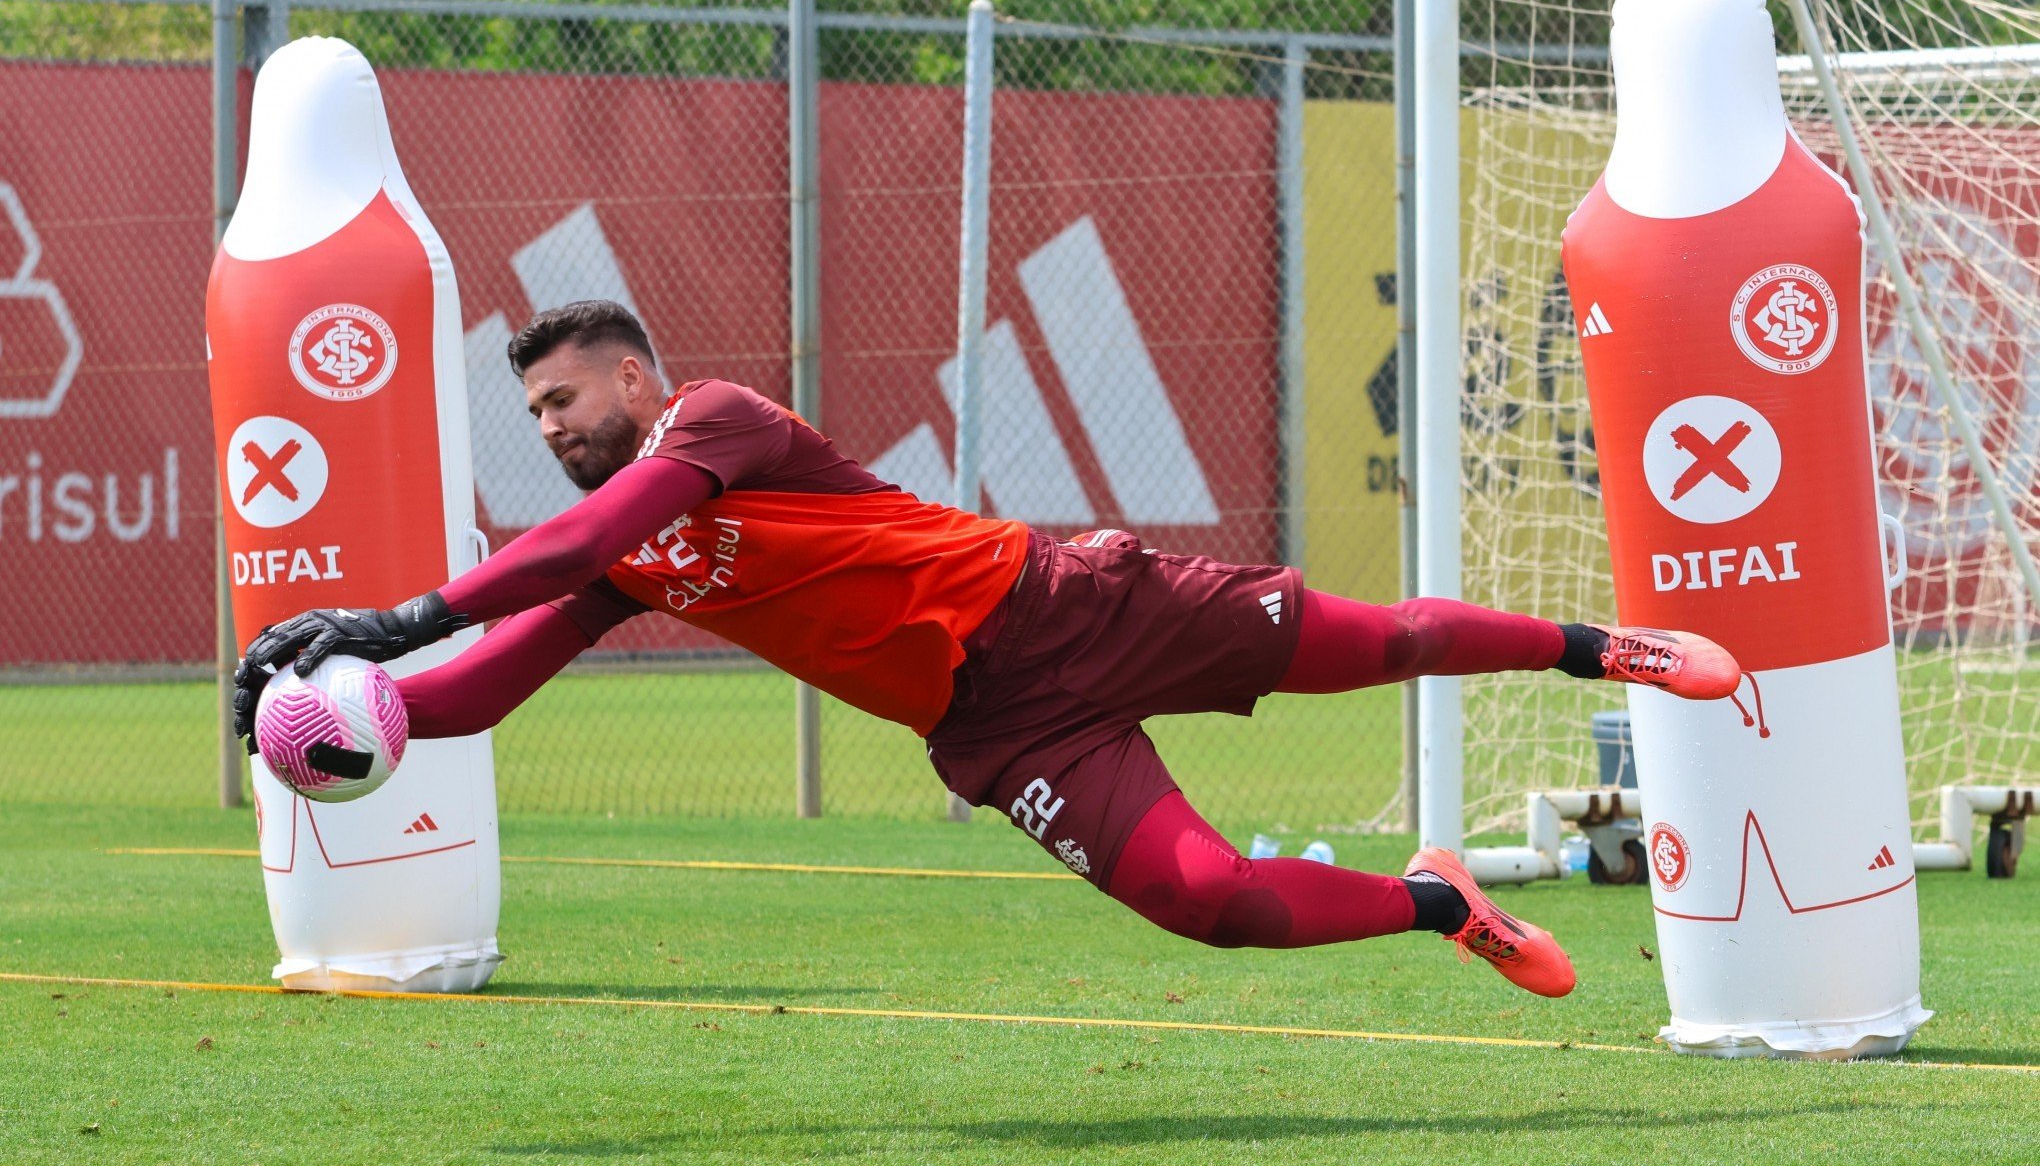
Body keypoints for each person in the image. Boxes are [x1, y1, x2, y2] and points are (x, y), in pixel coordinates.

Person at [235, 300, 1742, 1000]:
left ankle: (1611, 646)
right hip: (1002, 733)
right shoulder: (624, 553)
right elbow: (485, 682)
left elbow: (548, 556)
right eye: (539, 418)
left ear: (634, 376)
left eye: (565, 402)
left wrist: (395, 615)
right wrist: (328, 711)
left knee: (1389, 641)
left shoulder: (714, 423)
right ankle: (1436, 908)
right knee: (1206, 908)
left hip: (1064, 602)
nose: (551, 430)